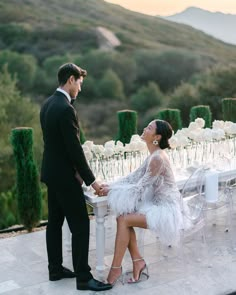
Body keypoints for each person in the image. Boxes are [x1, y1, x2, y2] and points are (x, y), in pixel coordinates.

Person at [40, 63, 112, 292]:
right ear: (71, 80)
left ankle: (55, 269)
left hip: (51, 173)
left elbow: (56, 145)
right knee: (80, 225)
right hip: (63, 177)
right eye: (79, 83)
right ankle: (84, 277)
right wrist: (93, 181)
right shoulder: (65, 108)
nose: (80, 89)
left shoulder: (48, 104)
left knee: (54, 222)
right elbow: (74, 149)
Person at [100, 119, 183, 285]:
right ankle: (137, 262)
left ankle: (116, 268)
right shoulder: (153, 155)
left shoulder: (157, 158)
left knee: (123, 219)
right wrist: (110, 185)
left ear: (157, 137)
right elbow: (133, 177)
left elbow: (139, 188)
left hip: (166, 210)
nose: (145, 129)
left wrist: (111, 190)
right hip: (157, 203)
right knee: (123, 218)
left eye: (149, 128)